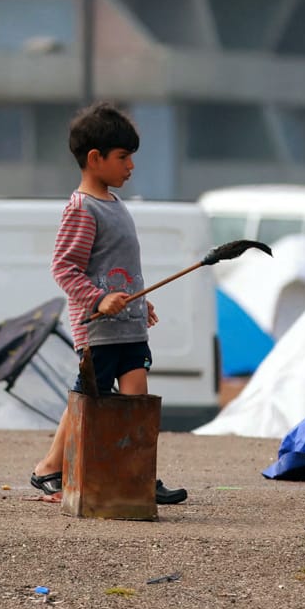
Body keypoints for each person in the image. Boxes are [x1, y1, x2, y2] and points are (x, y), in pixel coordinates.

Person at [29, 103, 187, 506]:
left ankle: (139, 477)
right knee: (89, 404)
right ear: (95, 159)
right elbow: (64, 269)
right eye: (123, 157)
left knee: (138, 406)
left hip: (129, 327)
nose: (131, 166)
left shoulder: (117, 206)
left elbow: (124, 270)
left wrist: (140, 304)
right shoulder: (82, 209)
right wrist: (99, 300)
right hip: (98, 332)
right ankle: (50, 466)